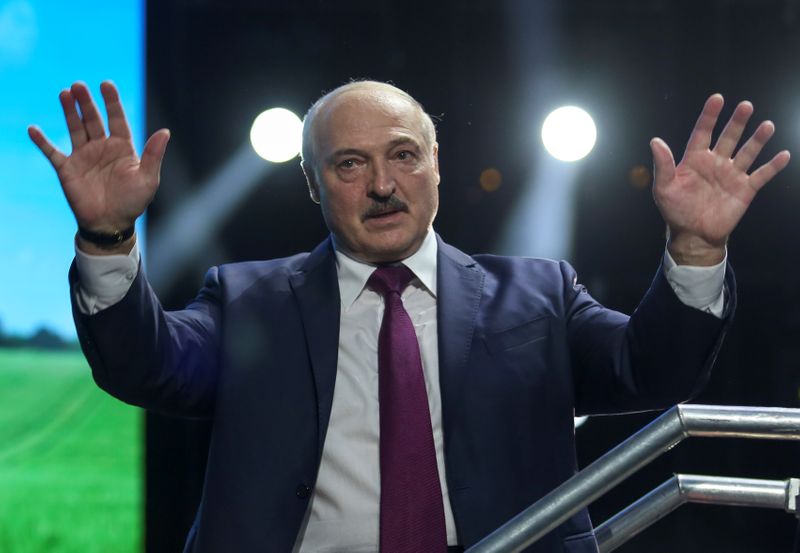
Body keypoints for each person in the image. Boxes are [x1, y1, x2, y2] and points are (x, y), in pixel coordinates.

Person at [28, 80, 789, 553]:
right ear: (313, 186)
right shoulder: (248, 298)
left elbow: (652, 367)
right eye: (350, 165)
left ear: (436, 165)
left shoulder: (539, 293)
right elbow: (141, 362)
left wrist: (694, 245)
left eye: (403, 155)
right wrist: (106, 237)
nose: (383, 184)